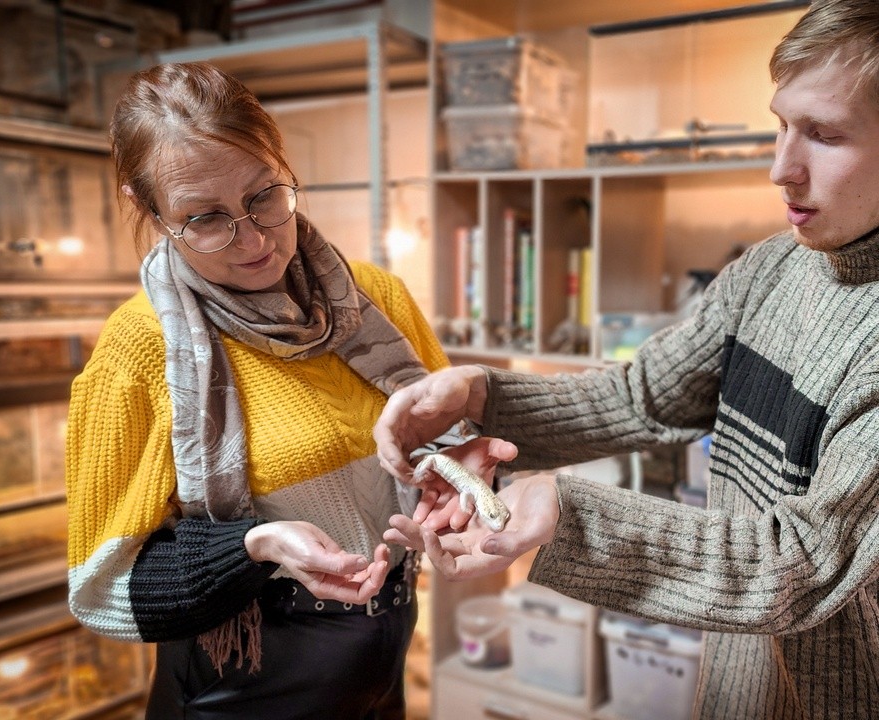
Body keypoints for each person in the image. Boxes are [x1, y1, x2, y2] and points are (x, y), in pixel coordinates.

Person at [374, 1, 879, 718]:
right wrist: (478, 397)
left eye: (823, 136)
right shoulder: (770, 270)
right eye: (780, 125)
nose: (780, 169)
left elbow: (800, 561)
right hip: (738, 691)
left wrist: (564, 511)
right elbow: (644, 396)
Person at [64, 61, 461, 720]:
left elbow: (453, 446)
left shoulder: (377, 299)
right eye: (205, 218)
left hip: (380, 664)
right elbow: (100, 589)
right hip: (240, 682)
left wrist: (457, 487)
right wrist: (254, 547)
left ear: (282, 161)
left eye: (263, 196)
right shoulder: (136, 352)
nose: (253, 240)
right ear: (149, 209)